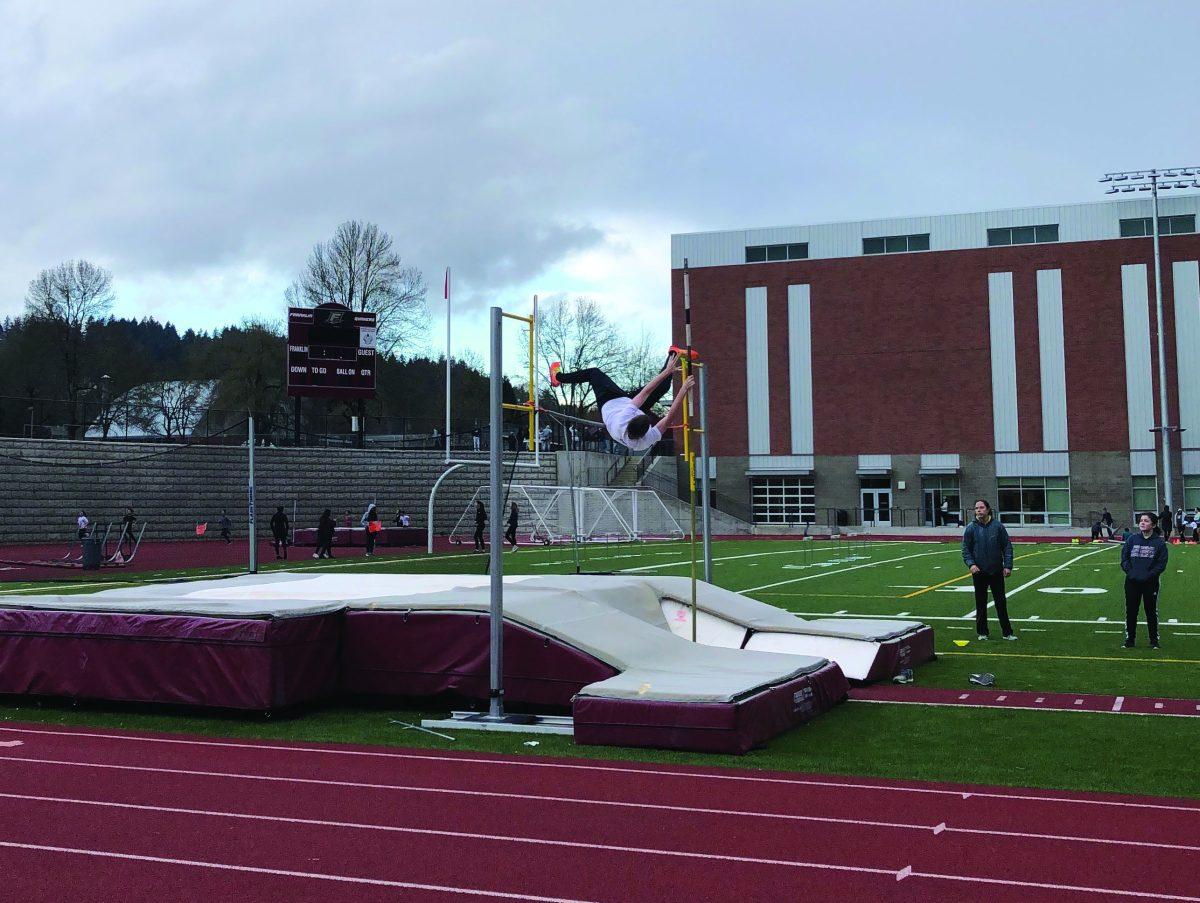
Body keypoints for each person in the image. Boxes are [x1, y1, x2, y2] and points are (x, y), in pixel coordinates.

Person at [549, 350, 695, 453]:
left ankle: (558, 378)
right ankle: (673, 354)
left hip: (609, 401)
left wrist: (676, 381)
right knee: (663, 386)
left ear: (631, 420)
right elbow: (668, 419)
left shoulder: (623, 421)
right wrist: (683, 389)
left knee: (593, 373)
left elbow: (646, 393)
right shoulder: (644, 441)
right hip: (625, 401)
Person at [962, 499, 1016, 641]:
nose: (979, 510)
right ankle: (982, 632)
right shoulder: (970, 528)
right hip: (979, 572)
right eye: (976, 508)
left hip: (996, 570)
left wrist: (1008, 565)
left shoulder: (998, 526)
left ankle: (1007, 632)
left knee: (1001, 602)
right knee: (980, 603)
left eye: (981, 507)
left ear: (988, 509)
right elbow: (966, 549)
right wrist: (971, 564)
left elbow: (1007, 547)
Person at [1120, 511, 1168, 649]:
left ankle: (1154, 640)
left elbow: (1161, 564)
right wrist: (1131, 572)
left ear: (1153, 524)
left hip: (1150, 583)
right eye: (1141, 520)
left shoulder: (1159, 543)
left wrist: (1148, 575)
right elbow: (1124, 559)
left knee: (1151, 611)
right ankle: (1130, 640)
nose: (1142, 523)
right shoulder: (1132, 540)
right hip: (1132, 582)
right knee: (1131, 610)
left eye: (1146, 521)